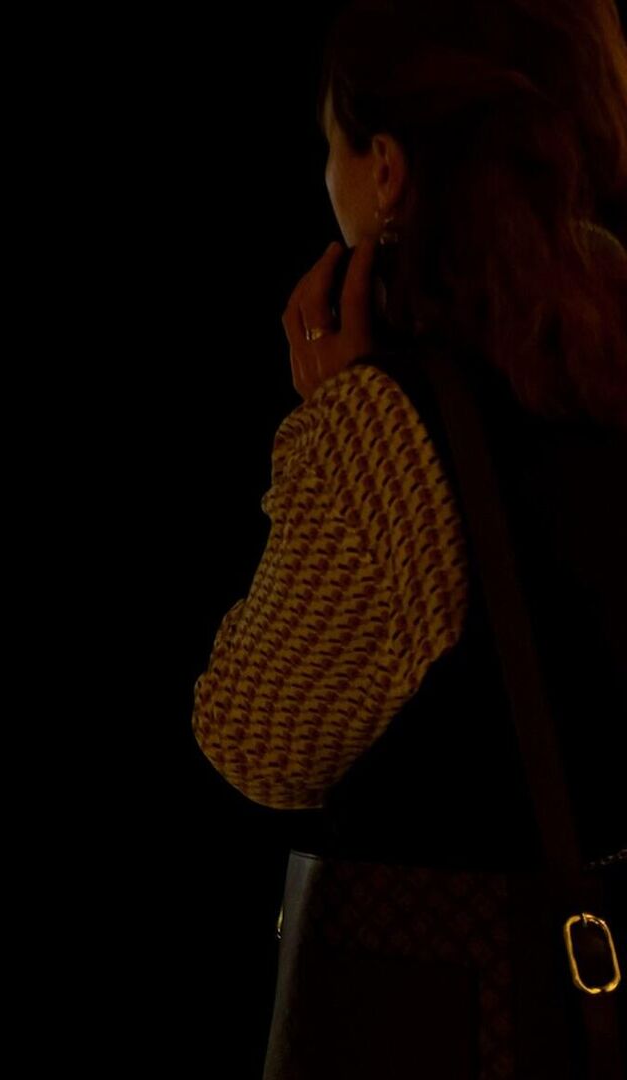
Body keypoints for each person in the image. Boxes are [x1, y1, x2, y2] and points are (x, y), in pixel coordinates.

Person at [188, 1, 627, 1076]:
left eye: (330, 147)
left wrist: (329, 429)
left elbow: (251, 736)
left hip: (436, 1016)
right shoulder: (609, 372)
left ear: (385, 171)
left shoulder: (385, 429)